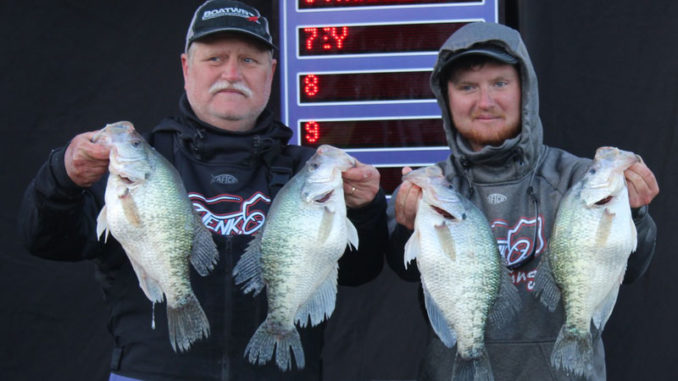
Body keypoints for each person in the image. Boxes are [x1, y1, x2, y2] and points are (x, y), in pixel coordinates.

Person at [18, 1, 386, 380]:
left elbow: (360, 270)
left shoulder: (305, 172)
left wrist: (366, 211)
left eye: (249, 60)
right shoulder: (133, 163)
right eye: (215, 58)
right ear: (185, 68)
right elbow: (47, 241)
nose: (231, 73)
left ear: (271, 72)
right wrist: (62, 177)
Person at [386, 22, 659, 381]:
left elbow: (629, 269)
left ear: (525, 90)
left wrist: (636, 213)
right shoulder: (431, 186)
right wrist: (403, 229)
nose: (485, 102)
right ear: (446, 97)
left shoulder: (578, 178)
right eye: (467, 87)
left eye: (500, 83)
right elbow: (404, 271)